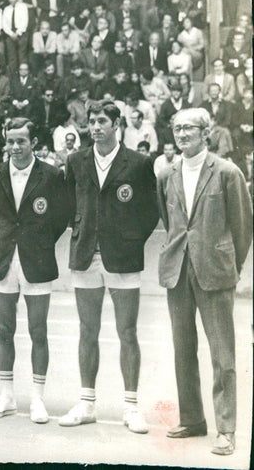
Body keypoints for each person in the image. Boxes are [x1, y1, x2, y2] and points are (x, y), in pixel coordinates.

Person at [157, 108, 252, 456]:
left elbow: (243, 226)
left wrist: (232, 265)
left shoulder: (227, 172)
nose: (182, 134)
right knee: (183, 350)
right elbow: (170, 222)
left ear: (205, 132)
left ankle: (226, 429)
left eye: (190, 128)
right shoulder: (166, 173)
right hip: (178, 272)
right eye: (177, 128)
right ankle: (193, 419)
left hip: (215, 272)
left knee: (223, 355)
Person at [60, 100, 159, 433]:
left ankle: (131, 406)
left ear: (117, 124)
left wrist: (130, 239)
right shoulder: (75, 161)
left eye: (102, 120)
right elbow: (68, 204)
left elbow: (150, 211)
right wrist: (81, 230)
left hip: (123, 259)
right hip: (86, 256)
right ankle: (87, 402)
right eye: (91, 121)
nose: (95, 126)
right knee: (88, 332)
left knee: (127, 332)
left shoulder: (140, 163)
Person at [0, 118, 68, 423]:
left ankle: (37, 399)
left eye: (21, 141)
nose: (15, 147)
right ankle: (6, 396)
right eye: (10, 141)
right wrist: (2, 234)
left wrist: (41, 240)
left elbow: (61, 216)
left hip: (37, 259)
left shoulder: (51, 174)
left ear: (33, 143)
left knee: (38, 331)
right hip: (4, 258)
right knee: (5, 331)